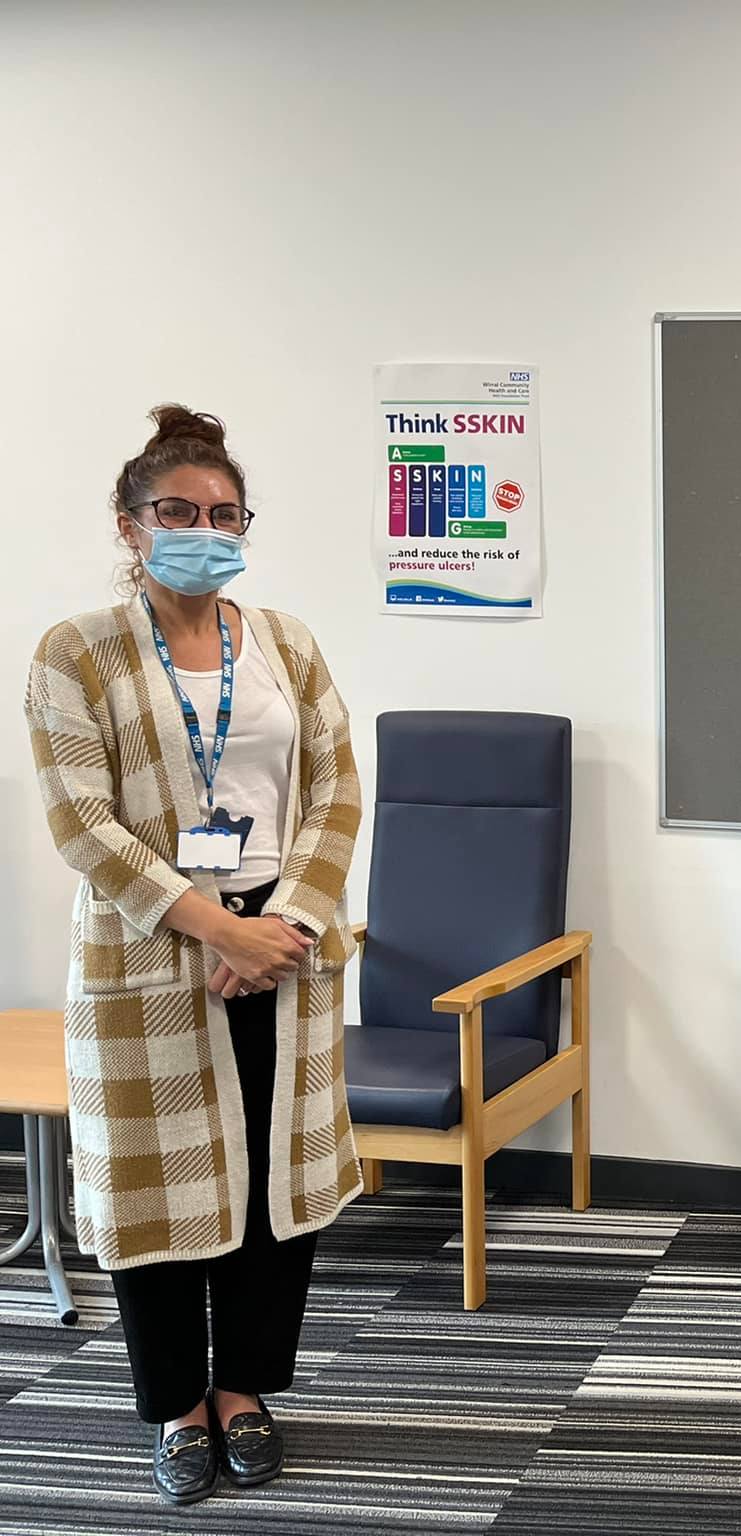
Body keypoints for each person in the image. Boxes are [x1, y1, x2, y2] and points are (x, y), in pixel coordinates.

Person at [23, 406, 362, 1504]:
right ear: (130, 524)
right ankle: (176, 1406)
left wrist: (285, 926)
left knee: (271, 1187)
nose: (203, 532)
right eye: (178, 512)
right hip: (154, 944)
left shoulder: (288, 644)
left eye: (225, 515)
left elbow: (336, 792)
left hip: (285, 942)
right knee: (155, 1195)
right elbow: (81, 823)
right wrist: (219, 928)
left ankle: (245, 1392)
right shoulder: (76, 651)